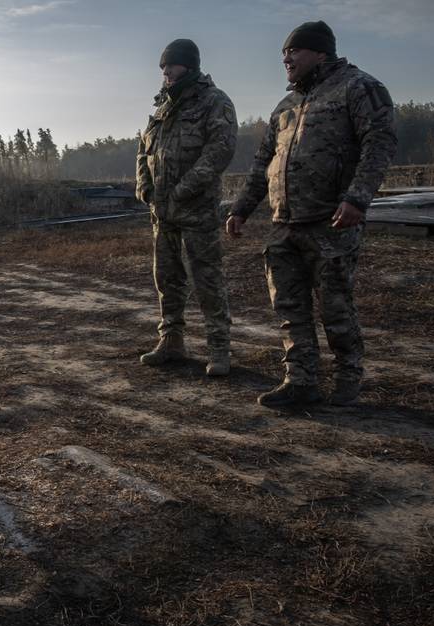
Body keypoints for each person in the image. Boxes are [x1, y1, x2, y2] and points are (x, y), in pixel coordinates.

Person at [226, 21, 396, 407]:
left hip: (330, 222)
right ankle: (300, 380)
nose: (286, 58)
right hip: (284, 224)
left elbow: (380, 142)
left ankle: (348, 376)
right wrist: (241, 208)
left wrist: (357, 198)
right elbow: (262, 162)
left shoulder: (358, 87)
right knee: (289, 307)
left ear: (320, 52)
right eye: (284, 52)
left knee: (335, 306)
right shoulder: (285, 107)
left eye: (294, 51)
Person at [136, 39, 238, 376]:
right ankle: (172, 341)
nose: (165, 71)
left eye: (172, 65)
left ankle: (219, 349)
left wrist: (184, 189)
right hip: (162, 212)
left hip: (197, 210)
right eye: (163, 66)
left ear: (189, 66)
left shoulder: (214, 102)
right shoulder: (163, 105)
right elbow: (144, 147)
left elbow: (219, 151)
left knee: (207, 278)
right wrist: (144, 185)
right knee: (166, 278)